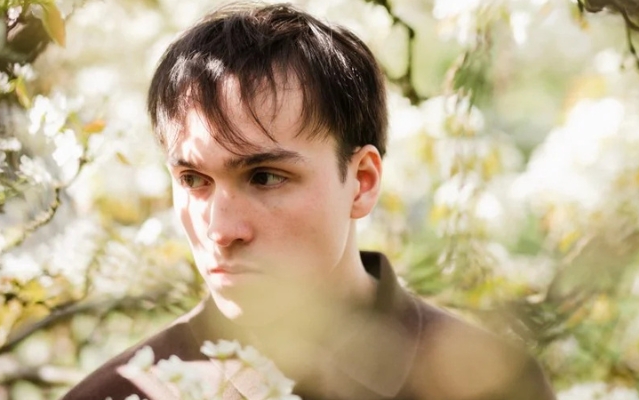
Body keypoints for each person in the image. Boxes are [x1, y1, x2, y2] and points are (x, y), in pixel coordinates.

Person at [62, 2, 556, 399]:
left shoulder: (494, 385)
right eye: (194, 180)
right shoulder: (120, 393)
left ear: (361, 181)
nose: (220, 229)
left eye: (265, 177)